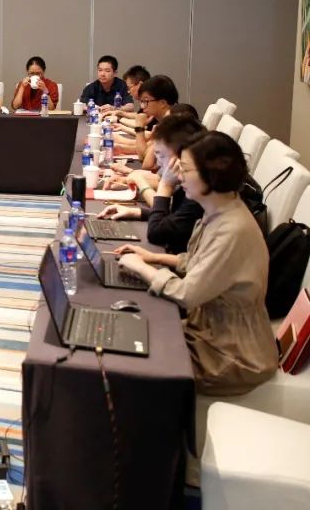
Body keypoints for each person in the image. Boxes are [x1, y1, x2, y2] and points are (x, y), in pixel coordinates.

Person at [116, 132, 276, 395]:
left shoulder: (233, 230)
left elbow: (187, 294)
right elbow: (196, 263)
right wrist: (153, 257)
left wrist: (141, 267)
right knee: (133, 330)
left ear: (211, 175)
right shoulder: (220, 211)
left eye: (185, 169)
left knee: (131, 362)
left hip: (230, 354)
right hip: (208, 332)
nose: (178, 177)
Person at [98, 113, 205, 254]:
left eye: (161, 155)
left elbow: (157, 233)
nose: (158, 161)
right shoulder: (190, 188)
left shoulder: (197, 194)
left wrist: (165, 184)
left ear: (180, 157)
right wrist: (137, 212)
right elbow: (175, 217)